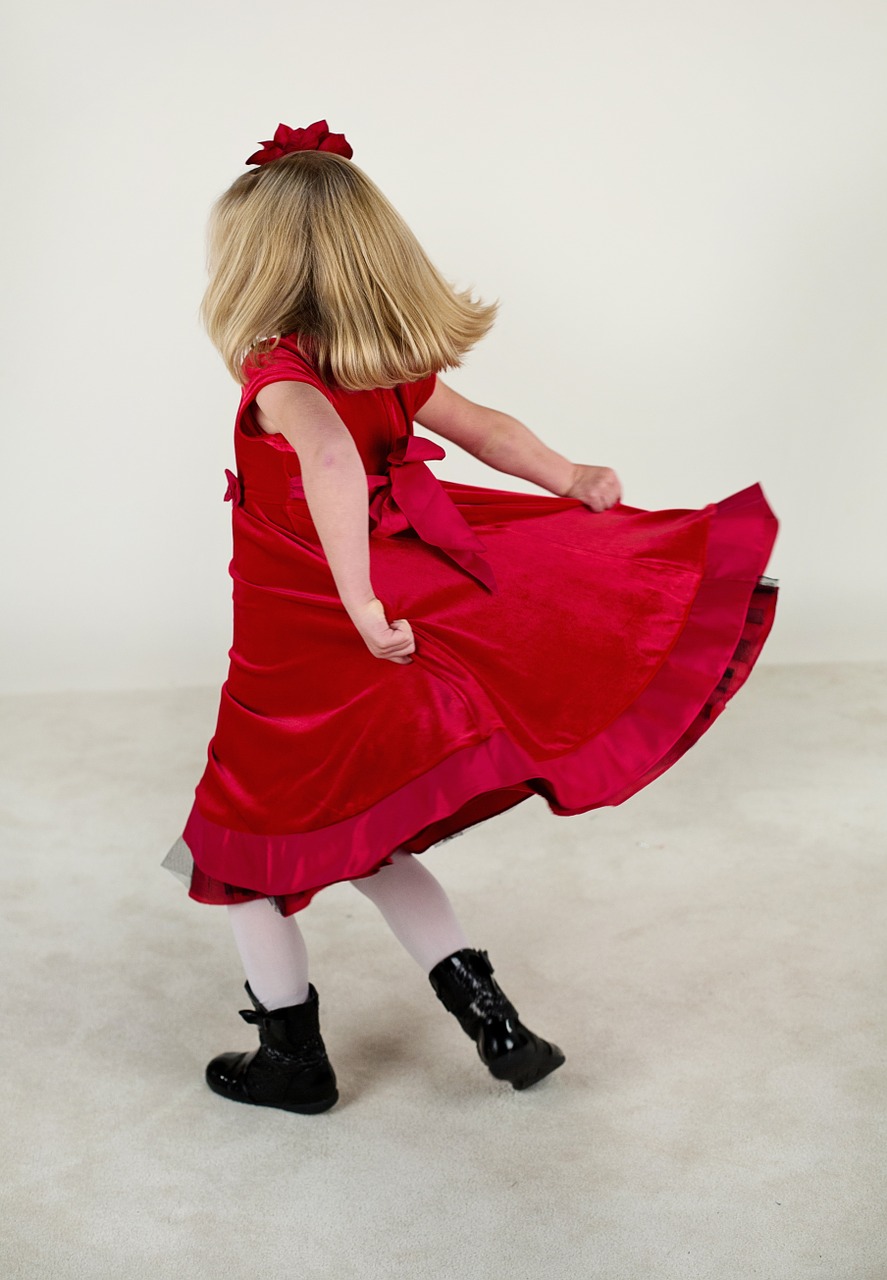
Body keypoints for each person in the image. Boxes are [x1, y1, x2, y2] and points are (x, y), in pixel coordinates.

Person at [161, 118, 780, 1116]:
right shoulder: (381, 364)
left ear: (256, 266)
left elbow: (324, 464)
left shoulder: (282, 377)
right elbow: (485, 430)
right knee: (373, 841)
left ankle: (291, 1057)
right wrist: (566, 473)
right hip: (373, 629)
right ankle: (494, 1022)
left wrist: (359, 599)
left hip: (304, 653)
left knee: (245, 852)